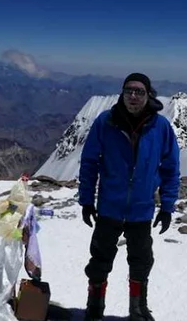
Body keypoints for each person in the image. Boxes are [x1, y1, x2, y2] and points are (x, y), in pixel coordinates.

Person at [78, 73, 181, 321]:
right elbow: (90, 162)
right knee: (100, 259)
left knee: (141, 260)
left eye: (139, 92)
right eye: (128, 91)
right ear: (122, 94)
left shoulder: (161, 127)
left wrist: (167, 206)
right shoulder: (106, 122)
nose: (133, 96)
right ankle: (95, 308)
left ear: (148, 95)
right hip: (109, 207)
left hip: (141, 208)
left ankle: (137, 309)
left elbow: (171, 167)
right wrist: (86, 200)